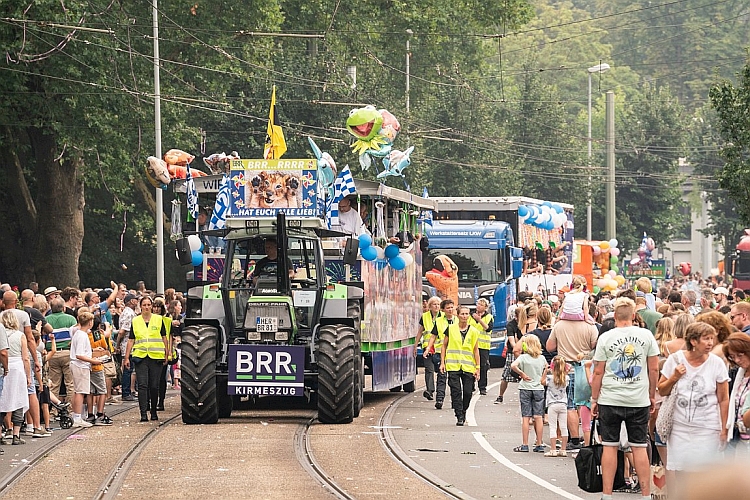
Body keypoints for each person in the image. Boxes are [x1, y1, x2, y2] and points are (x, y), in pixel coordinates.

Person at [590, 297, 660, 499]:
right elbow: (654, 368)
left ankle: (607, 494)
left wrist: (595, 398)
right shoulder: (646, 336)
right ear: (633, 315)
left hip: (610, 398)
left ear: (615, 315)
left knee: (610, 447)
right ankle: (646, 494)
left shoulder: (606, 337)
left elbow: (598, 372)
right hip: (638, 399)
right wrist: (651, 394)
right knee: (638, 447)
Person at [658, 323, 729, 483]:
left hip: (708, 428)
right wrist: (674, 377)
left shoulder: (717, 363)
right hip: (680, 428)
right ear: (693, 341)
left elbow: (723, 398)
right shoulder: (675, 359)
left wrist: (724, 429)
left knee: (706, 474)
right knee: (683, 474)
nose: (711, 343)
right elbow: (662, 390)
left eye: (712, 338)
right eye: (706, 339)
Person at [123, 296, 169, 422]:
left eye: (149, 305)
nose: (147, 307)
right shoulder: (136, 321)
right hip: (141, 357)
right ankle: (143, 413)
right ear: (141, 306)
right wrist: (126, 357)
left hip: (156, 357)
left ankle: (153, 410)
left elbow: (165, 337)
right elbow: (131, 339)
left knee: (154, 386)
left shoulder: (159, 320)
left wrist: (167, 354)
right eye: (144, 305)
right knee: (142, 385)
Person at [439, 305, 480, 426]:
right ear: (457, 315)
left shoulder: (473, 331)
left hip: (468, 366)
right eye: (462, 314)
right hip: (453, 365)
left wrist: (478, 368)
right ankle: (459, 415)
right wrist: (443, 362)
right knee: (456, 391)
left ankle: (464, 409)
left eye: (467, 314)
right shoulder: (450, 329)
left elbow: (475, 350)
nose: (464, 316)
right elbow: (444, 345)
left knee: (467, 392)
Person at [510, 334, 547, 452]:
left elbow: (513, 365)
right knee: (538, 416)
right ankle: (539, 443)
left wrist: (522, 374)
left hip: (525, 387)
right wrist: (542, 377)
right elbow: (547, 367)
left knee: (526, 417)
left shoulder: (523, 357)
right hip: (538, 388)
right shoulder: (541, 358)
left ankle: (525, 444)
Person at [69, 311, 103, 428]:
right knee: (80, 392)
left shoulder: (78, 334)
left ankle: (77, 415)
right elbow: (79, 354)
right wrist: (94, 361)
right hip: (81, 366)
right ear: (90, 322)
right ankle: (77, 417)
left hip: (78, 365)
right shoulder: (82, 336)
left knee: (78, 391)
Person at [0, 311, 27, 447]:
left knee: (3, 400)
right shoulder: (20, 335)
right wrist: (28, 375)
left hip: (4, 366)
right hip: (17, 368)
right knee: (19, 399)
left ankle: (1, 433)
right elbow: (25, 357)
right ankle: (16, 434)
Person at [425, 299, 456, 410]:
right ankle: (440, 399)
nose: (450, 310)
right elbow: (433, 336)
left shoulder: (458, 320)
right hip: (440, 353)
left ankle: (455, 401)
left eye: (452, 307)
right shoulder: (439, 321)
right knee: (441, 377)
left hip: (455, 355)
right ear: (443, 310)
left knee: (454, 379)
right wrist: (428, 348)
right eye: (448, 308)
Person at [723, 333, 750, 453]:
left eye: (740, 355)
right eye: (732, 357)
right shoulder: (738, 373)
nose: (737, 360)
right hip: (739, 436)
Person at [542, 355, 570, 457]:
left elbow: (542, 382)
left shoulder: (550, 378)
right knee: (563, 427)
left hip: (552, 404)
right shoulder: (566, 378)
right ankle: (563, 449)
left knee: (553, 427)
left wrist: (545, 371)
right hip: (563, 404)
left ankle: (553, 449)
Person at [416, 296, 442, 401]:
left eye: (438, 304)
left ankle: (441, 391)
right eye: (434, 304)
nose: (436, 306)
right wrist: (415, 345)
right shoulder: (425, 316)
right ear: (430, 306)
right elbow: (420, 332)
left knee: (441, 371)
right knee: (429, 370)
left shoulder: (444, 317)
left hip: (440, 349)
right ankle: (430, 390)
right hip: (427, 348)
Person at [470, 298, 493, 396]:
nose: (478, 306)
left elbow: (488, 328)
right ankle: (470, 385)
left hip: (483, 346)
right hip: (470, 344)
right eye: (478, 304)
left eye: (481, 305)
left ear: (485, 308)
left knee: (483, 367)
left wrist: (479, 320)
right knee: (470, 365)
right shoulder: (470, 315)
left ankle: (482, 387)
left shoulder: (489, 317)